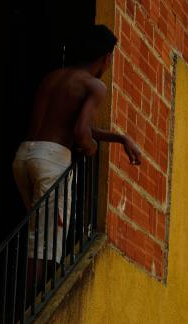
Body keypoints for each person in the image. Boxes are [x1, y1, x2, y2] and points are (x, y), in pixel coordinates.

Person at [12, 25, 141, 288]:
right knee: (45, 245)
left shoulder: (54, 77)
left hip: (25, 156)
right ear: (106, 57)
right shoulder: (95, 85)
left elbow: (65, 122)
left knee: (38, 236)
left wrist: (120, 138)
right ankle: (29, 309)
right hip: (51, 162)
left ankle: (24, 304)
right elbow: (81, 132)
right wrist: (90, 147)